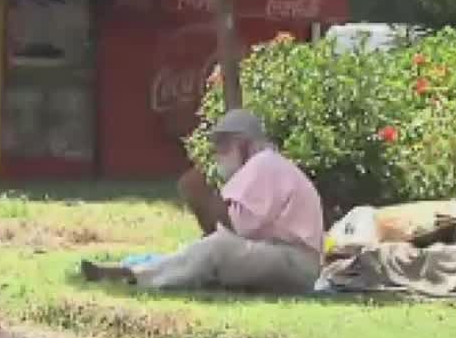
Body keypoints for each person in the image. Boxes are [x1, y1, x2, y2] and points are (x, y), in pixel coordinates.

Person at [81, 109, 325, 294]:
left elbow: (234, 230)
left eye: (225, 146)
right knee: (209, 247)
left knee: (217, 248)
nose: (219, 153)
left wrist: (203, 199)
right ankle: (134, 273)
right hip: (289, 261)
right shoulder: (265, 165)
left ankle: (137, 278)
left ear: (246, 144)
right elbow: (235, 231)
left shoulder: (263, 163)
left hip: (296, 264)